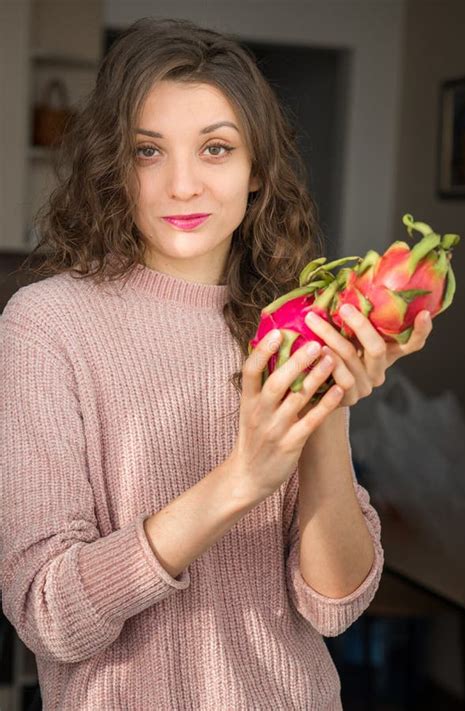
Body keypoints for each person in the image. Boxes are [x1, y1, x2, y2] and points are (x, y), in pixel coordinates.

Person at [0, 16, 432, 711]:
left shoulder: (298, 319)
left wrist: (329, 414)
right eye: (148, 151)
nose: (182, 185)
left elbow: (333, 608)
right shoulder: (46, 323)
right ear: (114, 162)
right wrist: (239, 479)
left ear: (256, 169)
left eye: (216, 149)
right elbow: (48, 614)